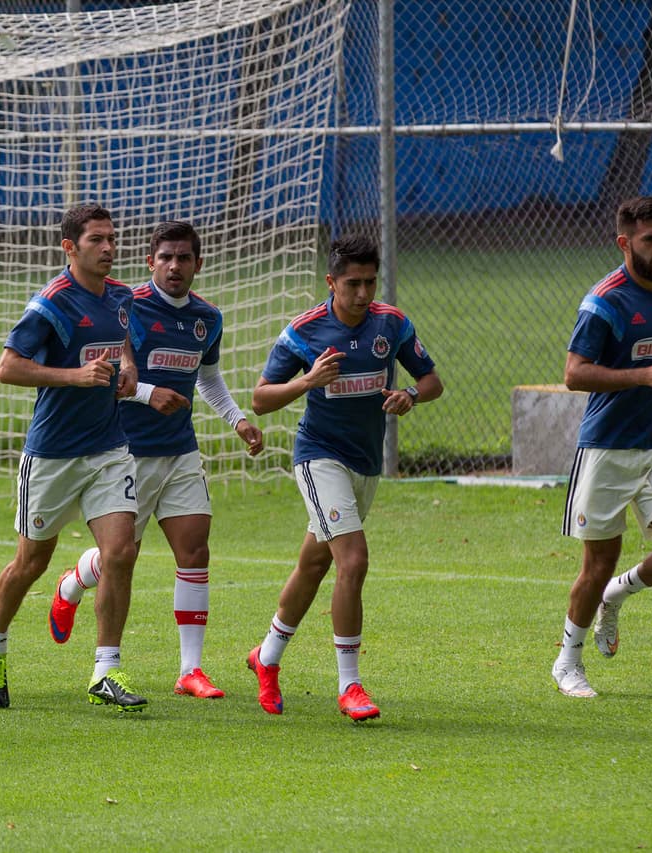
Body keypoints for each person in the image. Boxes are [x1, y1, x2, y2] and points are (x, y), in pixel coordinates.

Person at [47, 220, 264, 699]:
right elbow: (107, 374)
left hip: (181, 451)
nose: (174, 266)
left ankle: (190, 670)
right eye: (165, 257)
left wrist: (237, 420)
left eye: (184, 258)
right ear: (150, 262)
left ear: (198, 264)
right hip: (127, 451)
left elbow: (208, 377)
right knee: (121, 555)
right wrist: (148, 393)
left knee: (195, 550)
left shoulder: (208, 317)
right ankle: (73, 582)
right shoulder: (128, 308)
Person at [245, 234, 442, 721]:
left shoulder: (391, 324)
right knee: (352, 561)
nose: (362, 293)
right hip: (318, 458)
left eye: (370, 282)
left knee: (314, 565)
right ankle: (349, 685)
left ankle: (266, 656)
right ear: (331, 282)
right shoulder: (305, 331)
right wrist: (308, 381)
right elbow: (260, 399)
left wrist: (411, 396)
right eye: (352, 283)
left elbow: (432, 381)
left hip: (364, 464)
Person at [0, 202, 145, 711]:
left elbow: (122, 342)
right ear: (70, 247)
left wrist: (129, 369)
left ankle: (105, 671)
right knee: (31, 562)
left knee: (121, 552)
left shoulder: (121, 296)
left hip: (109, 448)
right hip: (52, 455)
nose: (109, 248)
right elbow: (8, 368)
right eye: (97, 240)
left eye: (112, 238)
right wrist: (76, 376)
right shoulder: (51, 303)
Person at [551, 196, 652, 699]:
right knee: (597, 562)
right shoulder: (603, 302)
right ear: (624, 243)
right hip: (607, 449)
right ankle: (567, 664)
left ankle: (616, 594)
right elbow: (574, 374)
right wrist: (642, 376)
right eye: (650, 240)